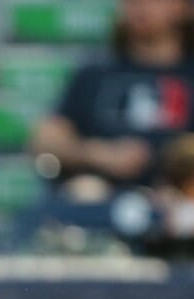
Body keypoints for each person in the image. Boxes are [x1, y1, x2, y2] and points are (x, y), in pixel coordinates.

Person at [30, 0, 194, 193]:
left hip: (182, 201)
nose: (139, 6)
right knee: (85, 190)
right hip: (103, 200)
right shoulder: (95, 74)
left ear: (184, 8)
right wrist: (98, 153)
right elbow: (45, 139)